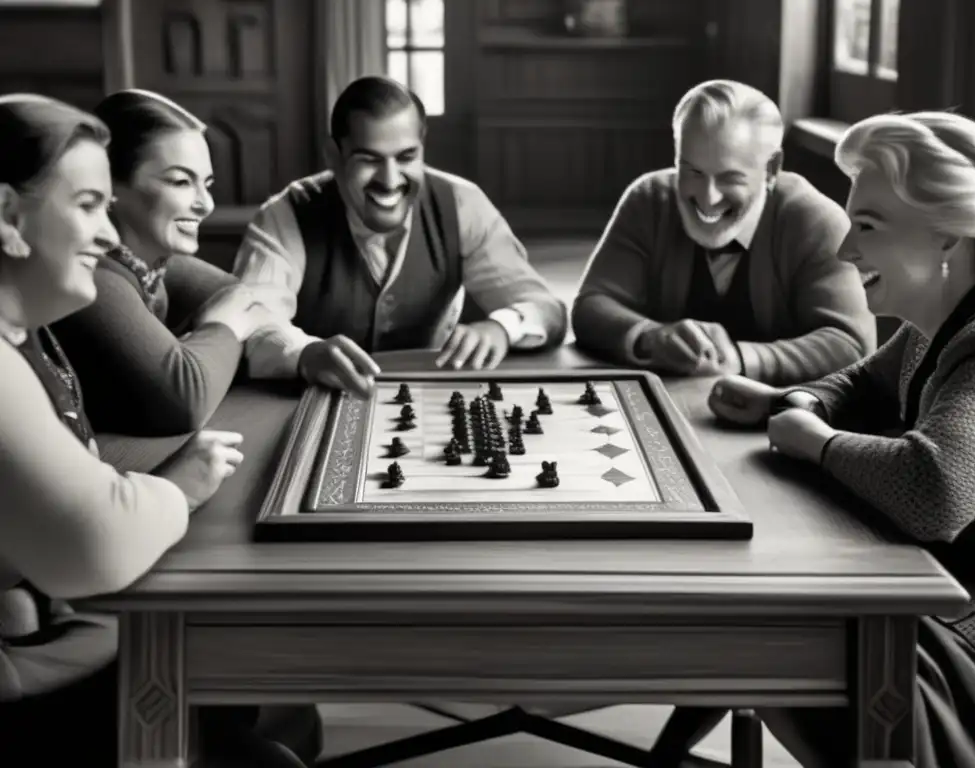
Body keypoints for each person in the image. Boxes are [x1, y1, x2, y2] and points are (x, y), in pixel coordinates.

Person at [0, 94, 320, 767]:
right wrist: (181, 488)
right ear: (8, 216)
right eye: (88, 205)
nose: (108, 234)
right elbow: (95, 545)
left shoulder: (24, 331)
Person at [713, 112, 975, 767]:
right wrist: (791, 401)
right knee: (774, 612)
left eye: (869, 227)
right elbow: (860, 383)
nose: (846, 251)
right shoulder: (944, 317)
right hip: (957, 585)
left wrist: (817, 444)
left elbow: (935, 490)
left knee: (800, 630)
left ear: (947, 236)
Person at [233, 75, 568, 397]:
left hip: (429, 399)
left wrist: (502, 327)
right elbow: (250, 323)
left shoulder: (462, 203)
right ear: (333, 156)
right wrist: (305, 354)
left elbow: (546, 309)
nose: (390, 180)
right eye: (369, 159)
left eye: (406, 157)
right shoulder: (286, 214)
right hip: (313, 400)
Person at [571, 79, 876, 386]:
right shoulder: (649, 200)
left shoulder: (816, 220)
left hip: (776, 420)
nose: (708, 198)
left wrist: (742, 359)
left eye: (730, 178)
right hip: (664, 406)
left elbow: (851, 344)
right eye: (692, 171)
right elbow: (591, 305)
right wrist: (650, 337)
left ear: (771, 169)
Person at [49, 89, 280, 437]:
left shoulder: (151, 262)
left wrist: (203, 348)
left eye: (208, 183)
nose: (206, 204)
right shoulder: (91, 272)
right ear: (108, 185)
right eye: (181, 181)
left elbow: (239, 296)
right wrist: (221, 329)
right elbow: (186, 401)